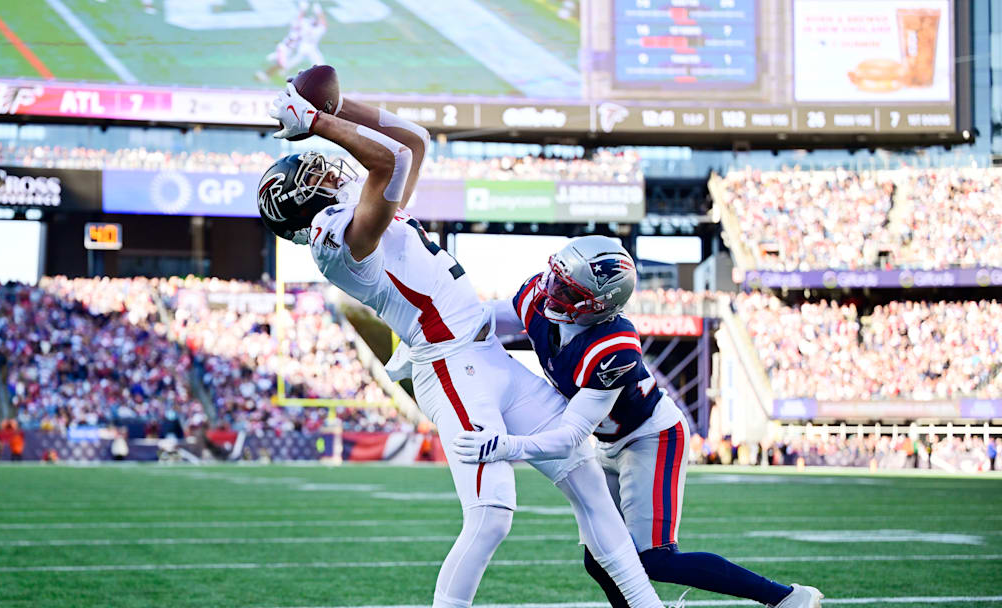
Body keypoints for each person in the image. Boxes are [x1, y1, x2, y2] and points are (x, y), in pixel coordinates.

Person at [261, 85, 662, 608]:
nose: (328, 172)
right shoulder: (337, 240)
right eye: (313, 176)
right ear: (301, 206)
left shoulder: (365, 212)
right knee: (491, 517)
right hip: (449, 366)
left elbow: (414, 143)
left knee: (586, 477)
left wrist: (339, 109)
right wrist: (316, 122)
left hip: (486, 353)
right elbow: (387, 160)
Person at [452, 236, 824, 608]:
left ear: (598, 305)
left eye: (567, 290)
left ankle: (787, 598)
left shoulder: (613, 345)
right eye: (556, 280)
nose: (551, 293)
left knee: (654, 558)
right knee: (600, 558)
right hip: (609, 441)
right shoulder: (543, 294)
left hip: (651, 437)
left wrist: (508, 445)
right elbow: (487, 318)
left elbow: (570, 437)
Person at [255, 2, 328, 83]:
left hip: (305, 48)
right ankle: (266, 74)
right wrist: (302, 9)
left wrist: (318, 12)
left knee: (319, 64)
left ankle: (267, 74)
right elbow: (298, 21)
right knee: (284, 66)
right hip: (290, 48)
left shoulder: (317, 29)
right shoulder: (301, 26)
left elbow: (323, 24)